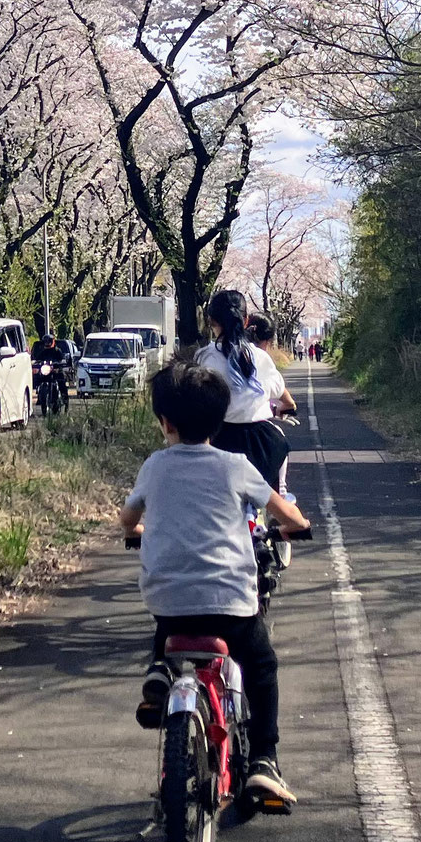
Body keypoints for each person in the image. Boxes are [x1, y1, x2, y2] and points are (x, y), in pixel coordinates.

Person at [120, 359, 311, 807]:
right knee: (261, 667)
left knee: (170, 619)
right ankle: (264, 761)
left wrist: (134, 533)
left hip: (167, 601)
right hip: (230, 603)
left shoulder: (154, 466)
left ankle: (160, 672)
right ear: (220, 421)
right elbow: (283, 511)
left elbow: (129, 518)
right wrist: (299, 525)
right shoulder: (235, 465)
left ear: (164, 422)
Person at [196, 290, 298, 495]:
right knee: (279, 444)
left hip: (218, 440)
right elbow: (284, 397)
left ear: (211, 321)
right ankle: (281, 500)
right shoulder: (260, 357)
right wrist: (286, 408)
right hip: (260, 444)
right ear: (246, 320)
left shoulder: (204, 357)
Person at [31, 330, 69, 409]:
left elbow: (62, 359)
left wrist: (60, 363)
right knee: (38, 378)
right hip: (47, 371)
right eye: (46, 341)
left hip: (56, 371)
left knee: (61, 382)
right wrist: (35, 362)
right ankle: (40, 395)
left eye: (49, 341)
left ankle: (65, 400)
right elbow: (38, 359)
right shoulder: (43, 352)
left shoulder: (57, 351)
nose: (47, 343)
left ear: (53, 341)